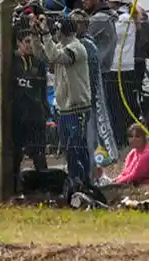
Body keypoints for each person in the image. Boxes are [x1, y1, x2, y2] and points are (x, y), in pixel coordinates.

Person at [38, 16, 91, 189]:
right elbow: (43, 55)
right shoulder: (61, 46)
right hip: (63, 109)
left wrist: (45, 33)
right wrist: (34, 34)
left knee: (77, 148)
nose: (55, 33)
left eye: (56, 30)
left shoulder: (76, 48)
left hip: (78, 108)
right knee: (69, 150)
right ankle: (74, 181)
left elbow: (55, 56)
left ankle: (83, 182)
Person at [102, 124, 149, 188]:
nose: (133, 139)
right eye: (131, 136)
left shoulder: (148, 154)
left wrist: (114, 183)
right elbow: (125, 172)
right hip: (137, 181)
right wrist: (115, 180)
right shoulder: (133, 153)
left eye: (137, 136)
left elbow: (133, 176)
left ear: (144, 138)